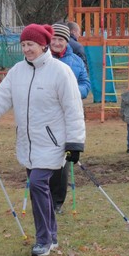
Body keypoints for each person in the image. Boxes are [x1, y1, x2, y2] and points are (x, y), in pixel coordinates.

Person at [0, 24, 85, 256]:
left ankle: (42, 239)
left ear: (43, 45)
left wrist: (75, 143)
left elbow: (73, 108)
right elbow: (1, 97)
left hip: (53, 143)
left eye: (30, 44)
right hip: (28, 143)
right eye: (23, 45)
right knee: (40, 189)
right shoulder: (18, 71)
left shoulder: (61, 72)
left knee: (38, 184)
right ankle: (51, 235)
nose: (26, 49)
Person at [49, 23, 90, 212]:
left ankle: (57, 200)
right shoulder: (42, 59)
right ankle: (43, 197)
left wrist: (72, 92)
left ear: (67, 42)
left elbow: (85, 85)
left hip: (66, 115)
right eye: (54, 39)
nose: (57, 43)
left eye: (61, 40)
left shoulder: (75, 61)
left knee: (62, 159)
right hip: (46, 114)